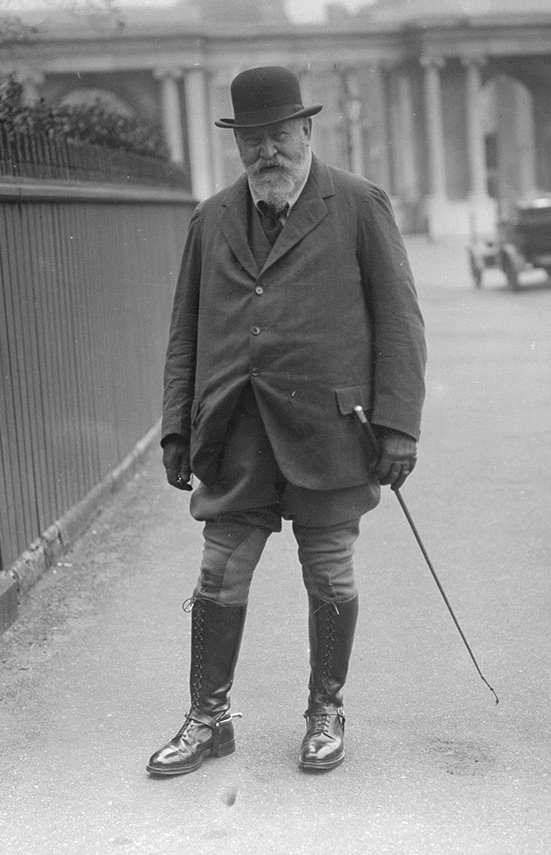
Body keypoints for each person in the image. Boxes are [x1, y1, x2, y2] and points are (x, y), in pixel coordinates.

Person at [147, 65, 426, 776]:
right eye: (252, 139)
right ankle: (208, 719)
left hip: (331, 431)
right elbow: (185, 331)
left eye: (279, 135)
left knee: (328, 572)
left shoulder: (358, 204)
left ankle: (326, 711)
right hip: (236, 432)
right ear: (237, 144)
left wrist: (398, 426)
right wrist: (177, 427)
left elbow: (400, 322)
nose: (267, 151)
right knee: (218, 573)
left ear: (305, 130)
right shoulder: (211, 218)